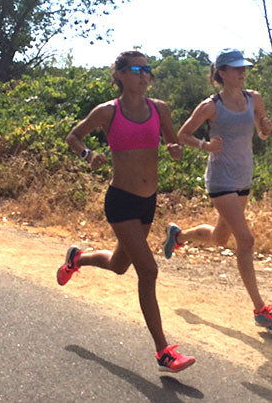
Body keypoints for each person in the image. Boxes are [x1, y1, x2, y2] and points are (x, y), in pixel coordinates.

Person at [57, 50, 196, 373]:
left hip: (148, 202)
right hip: (120, 201)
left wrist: (175, 149)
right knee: (148, 271)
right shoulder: (108, 111)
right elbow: (73, 136)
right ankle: (163, 351)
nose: (145, 75)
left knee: (120, 265)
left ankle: (77, 259)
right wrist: (88, 154)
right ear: (119, 74)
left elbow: (172, 143)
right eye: (137, 70)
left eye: (148, 70)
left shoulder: (159, 108)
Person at [163, 48, 272, 332]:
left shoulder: (254, 99)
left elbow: (262, 133)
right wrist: (205, 145)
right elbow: (183, 134)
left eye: (244, 67)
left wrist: (266, 128)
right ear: (222, 72)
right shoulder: (211, 106)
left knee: (220, 238)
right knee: (246, 240)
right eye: (235, 68)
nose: (242, 72)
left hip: (244, 176)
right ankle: (261, 310)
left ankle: (178, 236)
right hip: (220, 180)